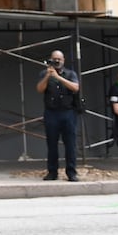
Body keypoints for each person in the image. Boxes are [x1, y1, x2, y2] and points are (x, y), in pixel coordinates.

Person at [38, 48, 81, 181]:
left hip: (68, 113)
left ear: (63, 61)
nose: (57, 61)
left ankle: (71, 172)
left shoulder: (70, 73)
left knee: (70, 144)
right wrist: (48, 75)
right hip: (51, 113)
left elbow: (75, 87)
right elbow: (39, 89)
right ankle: (52, 172)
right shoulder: (45, 73)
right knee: (51, 144)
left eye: (59, 59)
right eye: (54, 59)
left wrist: (58, 78)